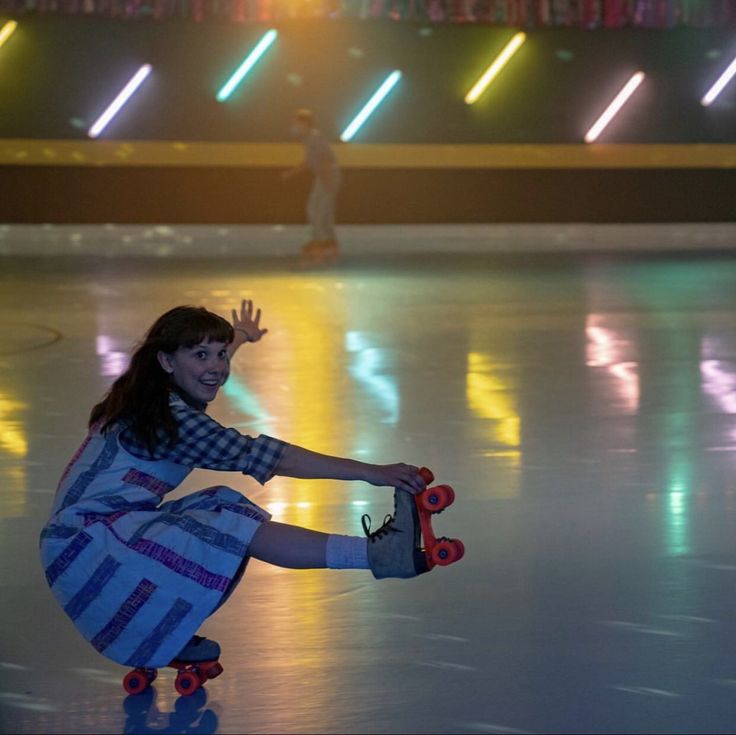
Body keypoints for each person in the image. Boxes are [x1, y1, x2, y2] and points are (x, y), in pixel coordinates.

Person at [39, 300, 429, 672]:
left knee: (223, 511)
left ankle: (164, 632)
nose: (217, 368)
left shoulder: (149, 395)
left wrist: (238, 336)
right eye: (201, 355)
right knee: (227, 522)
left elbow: (204, 369)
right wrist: (371, 472)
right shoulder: (172, 423)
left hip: (91, 534)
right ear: (166, 361)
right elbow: (271, 457)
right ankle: (379, 555)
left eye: (221, 355)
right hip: (87, 544)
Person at [282, 109, 342, 264]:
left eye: (296, 123)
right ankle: (328, 241)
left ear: (304, 124)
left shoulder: (314, 137)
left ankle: (320, 242)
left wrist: (327, 181)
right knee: (321, 210)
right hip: (323, 176)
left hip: (327, 176)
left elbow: (325, 159)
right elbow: (309, 162)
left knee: (318, 210)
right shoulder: (309, 139)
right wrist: (291, 173)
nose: (294, 126)